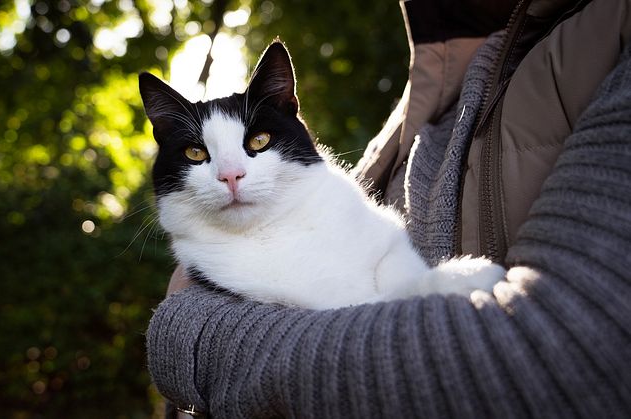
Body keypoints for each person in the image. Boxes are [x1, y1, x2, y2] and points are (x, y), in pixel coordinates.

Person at [147, 0, 631, 417]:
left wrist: (189, 332)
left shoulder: (613, 35)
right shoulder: (421, 97)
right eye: (198, 155)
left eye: (256, 142)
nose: (231, 175)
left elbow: (576, 357)